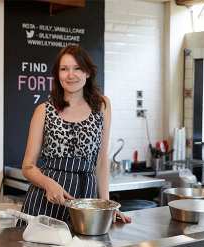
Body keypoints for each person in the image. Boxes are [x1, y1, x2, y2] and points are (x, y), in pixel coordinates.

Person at [21, 45, 131, 224]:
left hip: (86, 201)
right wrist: (48, 184)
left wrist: (109, 207)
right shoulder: (43, 111)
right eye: (64, 69)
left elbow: (102, 161)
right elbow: (28, 167)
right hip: (45, 201)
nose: (70, 75)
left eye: (77, 68)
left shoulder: (102, 105)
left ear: (87, 72)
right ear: (57, 74)